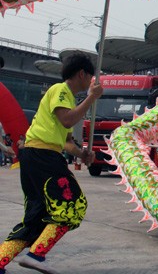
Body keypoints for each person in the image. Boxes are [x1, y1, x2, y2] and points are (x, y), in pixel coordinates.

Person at [0, 53, 102, 274]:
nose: (91, 83)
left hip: (37, 155)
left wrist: (82, 154)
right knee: (74, 205)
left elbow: (66, 142)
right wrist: (91, 98)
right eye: (90, 78)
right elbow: (67, 119)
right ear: (82, 74)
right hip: (42, 155)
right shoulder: (60, 90)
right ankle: (36, 255)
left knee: (36, 217)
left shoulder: (67, 98)